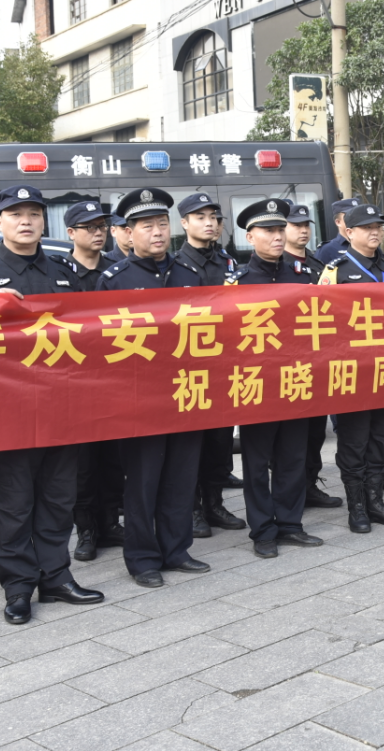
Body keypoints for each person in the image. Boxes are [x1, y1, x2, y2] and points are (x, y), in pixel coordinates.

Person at [0, 185, 102, 624]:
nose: (26, 221)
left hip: (60, 405)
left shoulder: (62, 271)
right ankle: (17, 586)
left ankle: (56, 576)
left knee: (58, 498)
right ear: (0, 223)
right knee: (13, 504)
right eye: (15, 214)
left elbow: (87, 333)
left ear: (45, 222)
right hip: (5, 411)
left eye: (34, 214)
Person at [96, 187, 209, 588]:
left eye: (162, 224)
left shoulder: (189, 275)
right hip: (140, 399)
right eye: (147, 226)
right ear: (128, 233)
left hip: (185, 391)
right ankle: (142, 557)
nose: (157, 232)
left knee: (181, 476)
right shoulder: (114, 280)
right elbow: (102, 345)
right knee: (143, 481)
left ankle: (177, 549)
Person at [226, 198, 324, 558]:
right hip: (256, 384)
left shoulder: (304, 275)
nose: (278, 237)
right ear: (250, 237)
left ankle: (290, 523)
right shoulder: (236, 281)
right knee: (256, 461)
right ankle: (263, 530)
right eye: (268, 231)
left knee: (293, 457)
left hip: (295, 380)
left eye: (280, 229)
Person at [319, 203, 384, 533]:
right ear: (349, 232)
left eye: (378, 226)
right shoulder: (335, 270)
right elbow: (322, 321)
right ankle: (356, 507)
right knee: (354, 441)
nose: (375, 232)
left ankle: (376, 500)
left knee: (381, 438)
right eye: (367, 227)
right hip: (351, 371)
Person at [175, 193, 247, 540]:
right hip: (188, 370)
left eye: (213, 217)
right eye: (199, 217)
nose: (208, 222)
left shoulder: (229, 265)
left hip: (223, 368)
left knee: (219, 441)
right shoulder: (174, 266)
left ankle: (215, 503)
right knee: (192, 444)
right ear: (184, 223)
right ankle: (192, 508)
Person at [62, 201, 124, 562]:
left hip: (112, 378)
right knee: (83, 465)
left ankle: (110, 522)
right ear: (71, 233)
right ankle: (86, 529)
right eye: (89, 227)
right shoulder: (60, 271)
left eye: (102, 225)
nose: (98, 232)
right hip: (76, 381)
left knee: (113, 459)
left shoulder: (117, 269)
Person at [283, 202, 340, 509]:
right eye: (296, 225)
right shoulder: (277, 266)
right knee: (290, 435)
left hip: (317, 361)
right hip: (289, 364)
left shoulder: (320, 267)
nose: (303, 230)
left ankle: (309, 483)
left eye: (306, 225)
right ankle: (290, 489)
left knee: (315, 431)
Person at [313, 197, 361, 264]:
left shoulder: (368, 246)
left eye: (358, 216)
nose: (355, 220)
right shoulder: (327, 250)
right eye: (349, 216)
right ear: (338, 222)